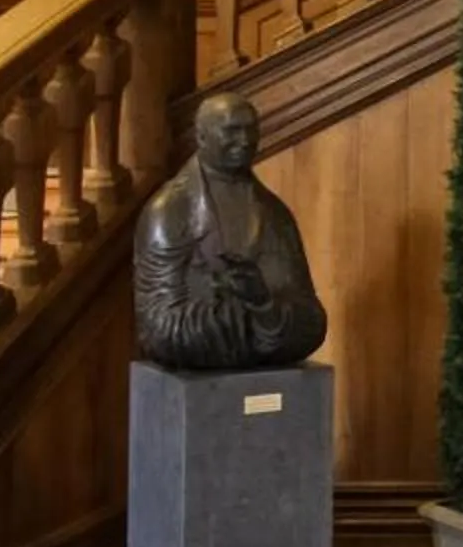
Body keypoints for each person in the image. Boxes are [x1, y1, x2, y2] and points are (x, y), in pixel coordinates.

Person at [132, 92, 327, 370]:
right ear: (201, 137)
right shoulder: (170, 209)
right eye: (232, 130)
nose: (245, 140)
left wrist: (261, 302)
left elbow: (312, 323)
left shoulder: (275, 214)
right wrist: (256, 320)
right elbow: (159, 329)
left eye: (251, 129)